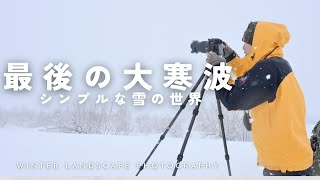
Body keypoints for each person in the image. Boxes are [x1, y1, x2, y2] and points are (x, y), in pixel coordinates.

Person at [206, 21, 313, 176]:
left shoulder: (270, 68)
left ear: (258, 43)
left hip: (286, 168)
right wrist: (229, 55)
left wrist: (218, 70)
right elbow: (248, 73)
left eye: (247, 43)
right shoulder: (276, 65)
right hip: (288, 162)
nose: (243, 47)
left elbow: (234, 99)